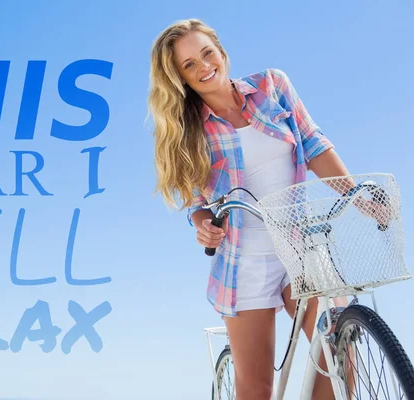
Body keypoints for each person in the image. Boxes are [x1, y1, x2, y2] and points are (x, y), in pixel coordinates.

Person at [147, 18, 357, 399]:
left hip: (300, 247)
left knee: (340, 348)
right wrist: (203, 224)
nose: (203, 66)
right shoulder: (189, 130)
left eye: (206, 53)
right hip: (245, 262)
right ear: (179, 78)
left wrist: (356, 194)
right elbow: (197, 203)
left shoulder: (271, 86)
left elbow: (313, 145)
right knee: (257, 388)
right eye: (188, 64)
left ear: (221, 51)